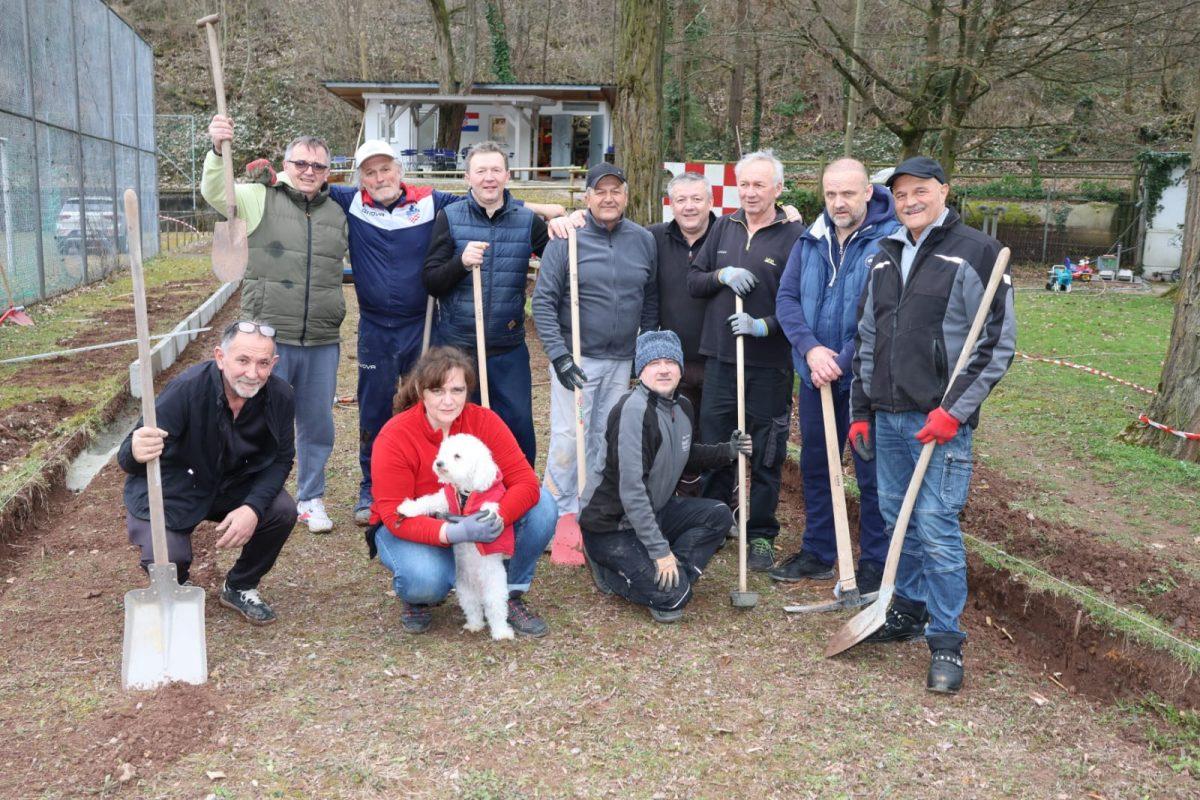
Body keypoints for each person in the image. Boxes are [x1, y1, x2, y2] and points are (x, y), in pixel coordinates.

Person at [325, 140, 563, 526]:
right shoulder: (364, 202)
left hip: (473, 336)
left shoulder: (453, 206)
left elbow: (521, 225)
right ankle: (389, 487)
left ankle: (511, 496)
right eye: (370, 172)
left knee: (501, 422)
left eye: (386, 169)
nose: (380, 177)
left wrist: (554, 217)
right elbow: (306, 179)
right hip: (413, 334)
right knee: (402, 414)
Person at [850, 156, 1016, 694]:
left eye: (920, 190)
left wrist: (954, 412)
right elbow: (868, 340)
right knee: (900, 521)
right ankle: (909, 612)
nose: (910, 201)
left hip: (939, 420)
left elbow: (996, 344)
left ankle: (946, 641)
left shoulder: (976, 252)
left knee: (938, 529)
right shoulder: (883, 255)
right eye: (900, 195)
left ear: (943, 190)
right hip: (889, 416)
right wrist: (860, 410)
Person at [204, 115, 346, 535]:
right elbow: (216, 192)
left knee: (316, 421)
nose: (308, 172)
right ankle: (252, 495)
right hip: (267, 336)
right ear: (286, 164)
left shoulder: (337, 211)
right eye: (300, 163)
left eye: (318, 166)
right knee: (257, 417)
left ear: (327, 172)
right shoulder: (257, 197)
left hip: (320, 335)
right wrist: (217, 150)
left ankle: (311, 497)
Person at [366, 346, 557, 637]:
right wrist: (452, 533)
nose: (448, 401)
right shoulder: (395, 436)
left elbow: (526, 482)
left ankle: (509, 593)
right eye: (437, 391)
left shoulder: (484, 421)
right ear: (420, 389)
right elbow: (395, 514)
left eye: (456, 390)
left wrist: (497, 517)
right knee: (426, 581)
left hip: (477, 513)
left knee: (542, 505)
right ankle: (418, 598)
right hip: (415, 522)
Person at [772, 158, 897, 593]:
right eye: (830, 194)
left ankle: (875, 562)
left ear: (867, 192)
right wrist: (810, 350)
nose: (838, 202)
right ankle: (820, 551)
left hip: (864, 378)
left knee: (869, 469)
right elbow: (787, 299)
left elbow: (884, 314)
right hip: (814, 375)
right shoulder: (811, 237)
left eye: (847, 193)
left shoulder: (890, 240)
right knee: (816, 464)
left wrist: (840, 360)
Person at [118, 321, 297, 625]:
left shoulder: (280, 396)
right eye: (243, 360)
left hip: (232, 484)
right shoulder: (186, 390)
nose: (253, 373)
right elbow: (128, 457)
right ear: (220, 357)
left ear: (274, 364)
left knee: (281, 510)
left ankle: (240, 585)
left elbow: (282, 459)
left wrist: (252, 508)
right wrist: (135, 449)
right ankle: (178, 586)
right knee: (167, 556)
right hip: (177, 484)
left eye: (262, 363)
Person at [579, 331, 750, 622]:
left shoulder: (681, 406)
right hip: (612, 525)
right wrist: (660, 552)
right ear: (641, 369)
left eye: (670, 361)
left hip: (653, 512)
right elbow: (632, 491)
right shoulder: (632, 412)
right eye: (654, 362)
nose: (663, 369)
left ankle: (671, 572)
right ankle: (610, 568)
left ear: (680, 368)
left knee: (719, 515)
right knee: (674, 599)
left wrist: (728, 451)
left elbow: (682, 454)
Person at [687, 150, 804, 572]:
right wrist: (721, 275)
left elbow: (801, 304)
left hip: (769, 364)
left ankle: (761, 534)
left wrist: (764, 326)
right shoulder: (724, 227)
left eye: (760, 185)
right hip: (721, 357)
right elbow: (695, 280)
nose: (751, 193)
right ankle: (713, 522)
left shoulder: (794, 236)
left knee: (766, 451)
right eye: (745, 184)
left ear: (778, 188)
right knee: (719, 443)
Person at [531, 163, 658, 535]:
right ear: (587, 197)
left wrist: (644, 355)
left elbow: (650, 302)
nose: (608, 198)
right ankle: (553, 516)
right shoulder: (567, 238)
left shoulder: (642, 240)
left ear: (626, 195)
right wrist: (559, 355)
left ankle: (591, 509)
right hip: (577, 357)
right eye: (600, 191)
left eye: (615, 191)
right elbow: (543, 302)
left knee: (607, 436)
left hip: (622, 361)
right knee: (570, 437)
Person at [422, 141, 552, 466]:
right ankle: (460, 496)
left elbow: (556, 258)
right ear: (468, 177)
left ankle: (519, 495)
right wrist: (460, 263)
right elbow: (431, 280)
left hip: (507, 348)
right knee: (460, 427)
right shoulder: (449, 217)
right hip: (458, 348)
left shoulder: (526, 221)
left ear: (507, 175)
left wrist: (563, 228)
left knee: (518, 426)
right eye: (481, 171)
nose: (489, 178)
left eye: (496, 170)